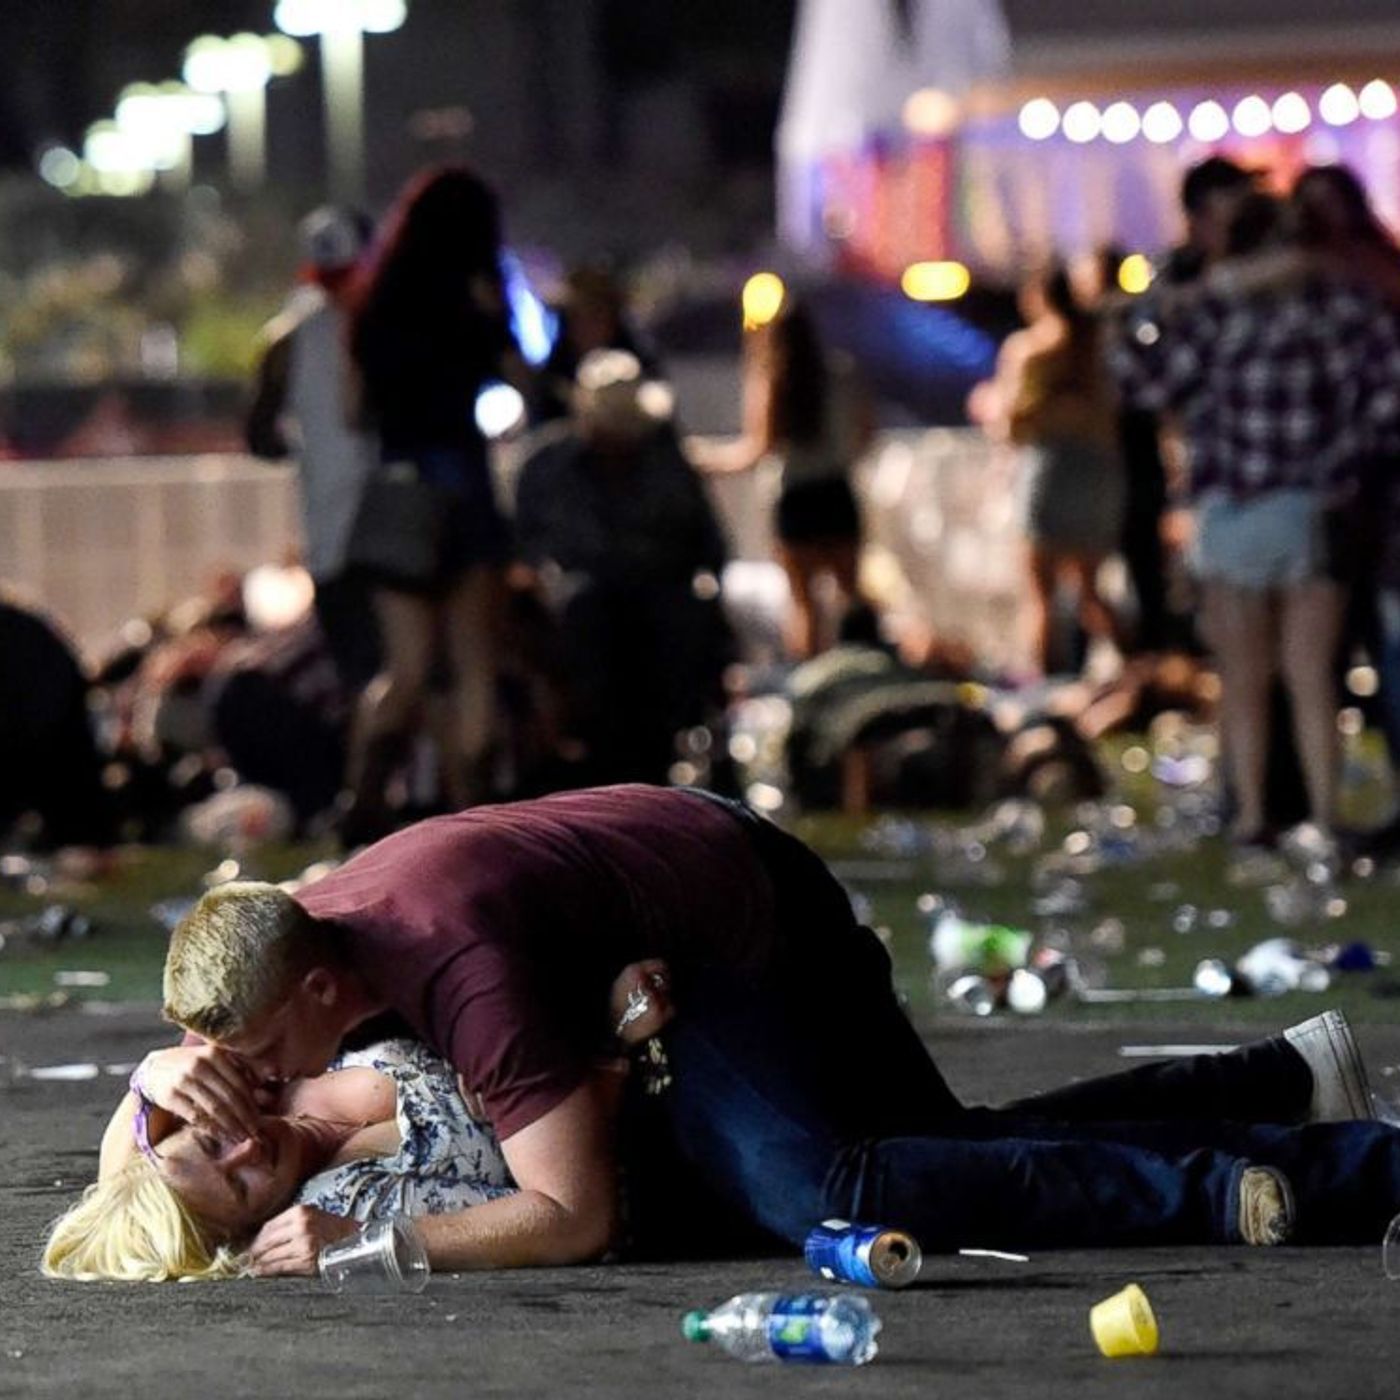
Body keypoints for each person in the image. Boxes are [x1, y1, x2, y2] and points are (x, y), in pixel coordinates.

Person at [96, 785, 1400, 1279]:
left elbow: (573, 1213)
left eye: (244, 1058)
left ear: (320, 996)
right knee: (930, 1145)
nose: (237, 1099)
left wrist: (376, 1248)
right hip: (682, 914)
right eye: (211, 1127)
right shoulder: (299, 954)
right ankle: (1279, 1082)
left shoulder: (448, 972)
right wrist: (156, 1076)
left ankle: (1287, 1177)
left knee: (837, 1188)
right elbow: (142, 1178)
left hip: (737, 935)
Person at [1110, 193, 1400, 848]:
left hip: (1232, 509)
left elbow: (1147, 385)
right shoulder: (1339, 308)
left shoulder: (1218, 312)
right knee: (1312, 675)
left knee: (1243, 678)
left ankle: (1250, 815)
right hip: (1310, 508)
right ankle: (1324, 815)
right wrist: (1340, 467)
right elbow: (1385, 394)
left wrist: (1146, 309)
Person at [342, 166, 529, 842]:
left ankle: (362, 799)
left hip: (401, 489)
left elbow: (352, 409)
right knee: (475, 666)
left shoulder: (378, 302)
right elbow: (522, 383)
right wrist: (493, 320)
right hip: (465, 486)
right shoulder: (476, 299)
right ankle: (473, 815)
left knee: (407, 668)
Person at [513, 350, 730, 784]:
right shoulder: (547, 466)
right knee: (585, 615)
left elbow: (709, 542)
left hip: (660, 596)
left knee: (679, 626)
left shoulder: (666, 462)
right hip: (581, 606)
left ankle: (665, 747)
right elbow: (525, 550)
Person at [245, 206, 382, 693]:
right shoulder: (394, 327)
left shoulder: (287, 339)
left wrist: (314, 454)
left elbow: (260, 437)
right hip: (394, 543)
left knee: (359, 682)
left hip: (331, 543)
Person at [692, 299, 875, 660]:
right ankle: (862, 666)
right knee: (850, 597)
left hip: (797, 498)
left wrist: (706, 460)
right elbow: (866, 433)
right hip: (836, 491)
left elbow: (756, 450)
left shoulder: (774, 381)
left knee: (804, 605)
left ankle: (811, 676)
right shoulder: (841, 373)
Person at [973, 264, 1125, 677]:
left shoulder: (1031, 350)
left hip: (1050, 470)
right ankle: (1137, 667)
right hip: (1100, 470)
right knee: (1092, 590)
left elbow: (1012, 424)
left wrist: (992, 408)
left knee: (1041, 594)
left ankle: (1044, 686)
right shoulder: (1098, 345)